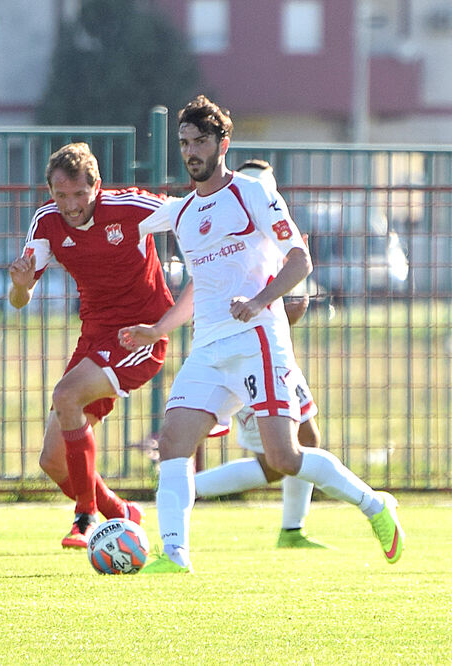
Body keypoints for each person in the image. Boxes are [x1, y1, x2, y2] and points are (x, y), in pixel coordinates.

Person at [119, 95, 404, 574]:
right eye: (184, 143)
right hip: (208, 349)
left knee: (284, 458)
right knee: (172, 442)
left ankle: (375, 505)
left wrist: (258, 301)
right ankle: (175, 555)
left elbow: (300, 260)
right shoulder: (182, 212)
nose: (191, 152)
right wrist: (159, 328)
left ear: (223, 144)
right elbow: (197, 283)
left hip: (257, 342)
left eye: (200, 142)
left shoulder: (252, 193)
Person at [7, 142, 173, 549]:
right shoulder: (47, 221)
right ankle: (123, 514)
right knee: (52, 460)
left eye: (79, 194)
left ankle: (85, 517)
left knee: (66, 395)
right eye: (61, 195)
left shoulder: (131, 208)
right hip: (95, 338)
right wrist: (21, 287)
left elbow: (192, 213)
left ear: (96, 186)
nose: (70, 205)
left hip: (139, 335)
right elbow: (19, 300)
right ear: (50, 191)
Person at [192, 159, 328, 549]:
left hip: (277, 354)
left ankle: (293, 530)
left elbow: (288, 287)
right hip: (246, 357)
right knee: (275, 462)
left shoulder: (274, 230)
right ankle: (180, 489)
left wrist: (289, 309)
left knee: (306, 438)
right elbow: (234, 307)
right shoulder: (231, 236)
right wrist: (279, 309)